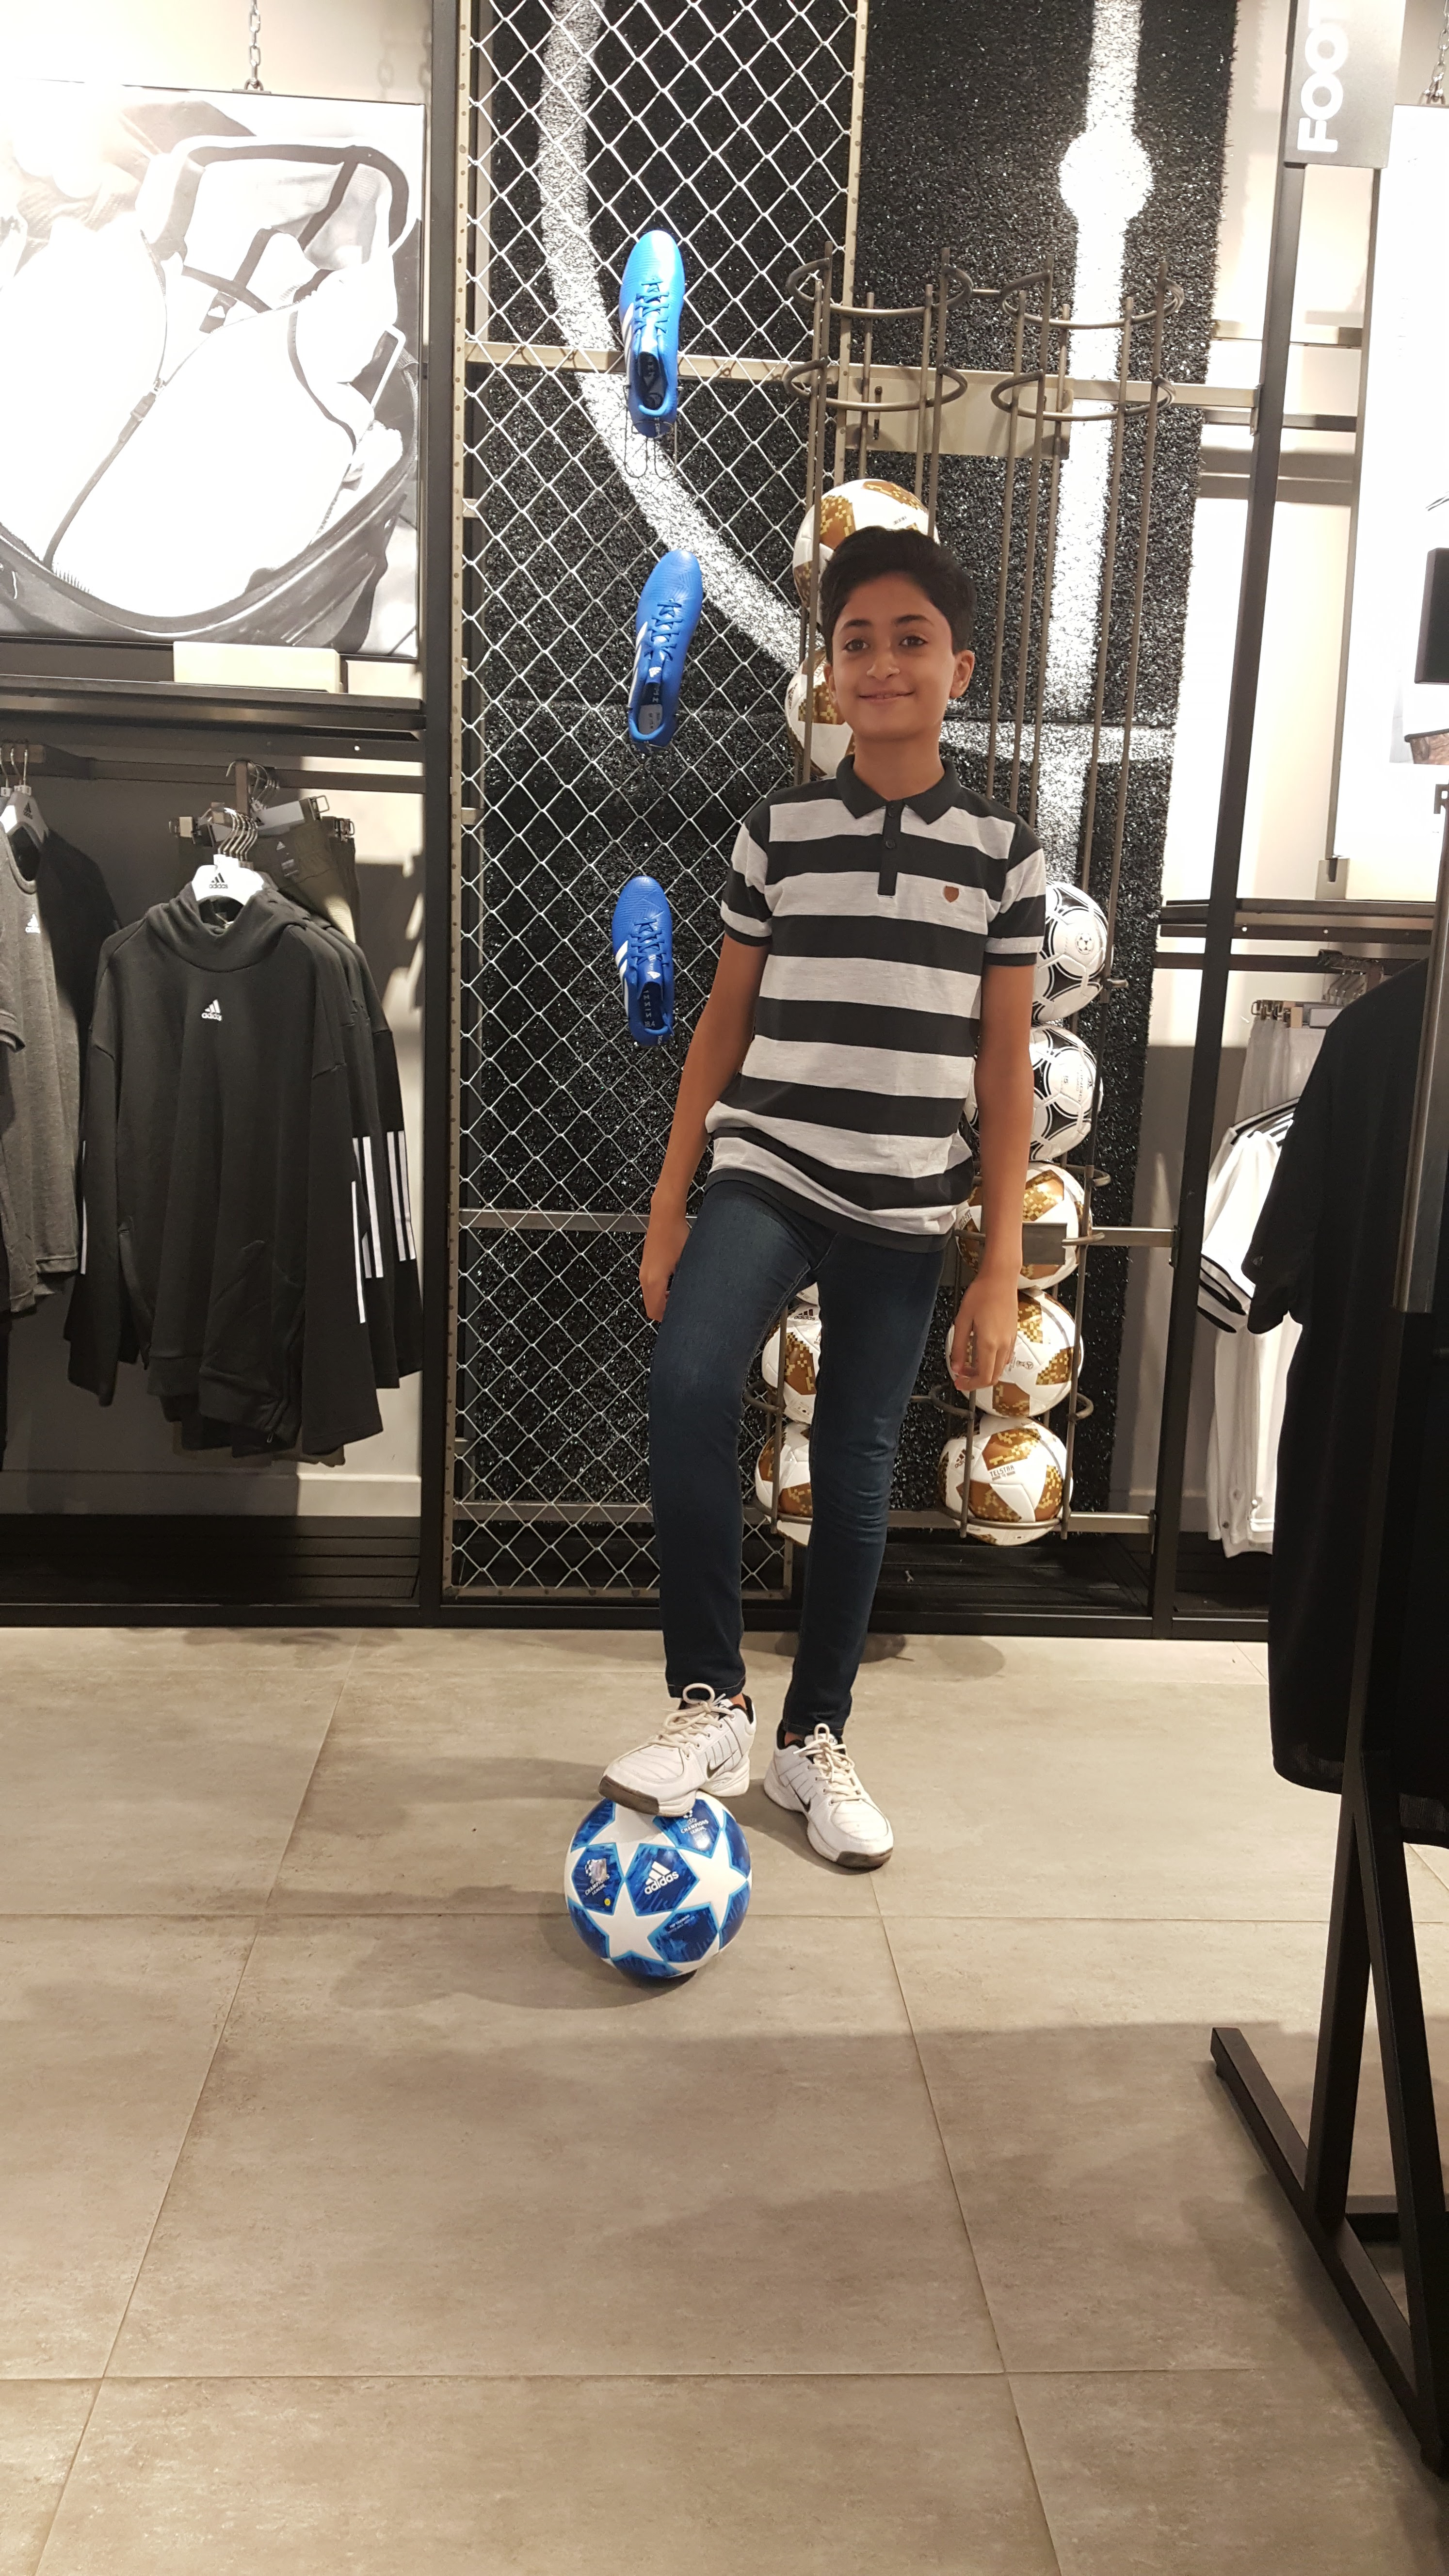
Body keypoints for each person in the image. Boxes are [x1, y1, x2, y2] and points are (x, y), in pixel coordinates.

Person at [600, 524, 1044, 1867]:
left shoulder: (1002, 852)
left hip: (905, 1206)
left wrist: (999, 1263)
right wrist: (670, 1204)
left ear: (958, 668)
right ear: (828, 670)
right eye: (858, 642)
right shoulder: (778, 832)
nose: (883, 663)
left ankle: (814, 1740)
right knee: (689, 1385)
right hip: (768, 1170)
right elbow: (721, 1024)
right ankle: (711, 1705)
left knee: (853, 1463)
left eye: (911, 639)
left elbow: (1004, 1070)